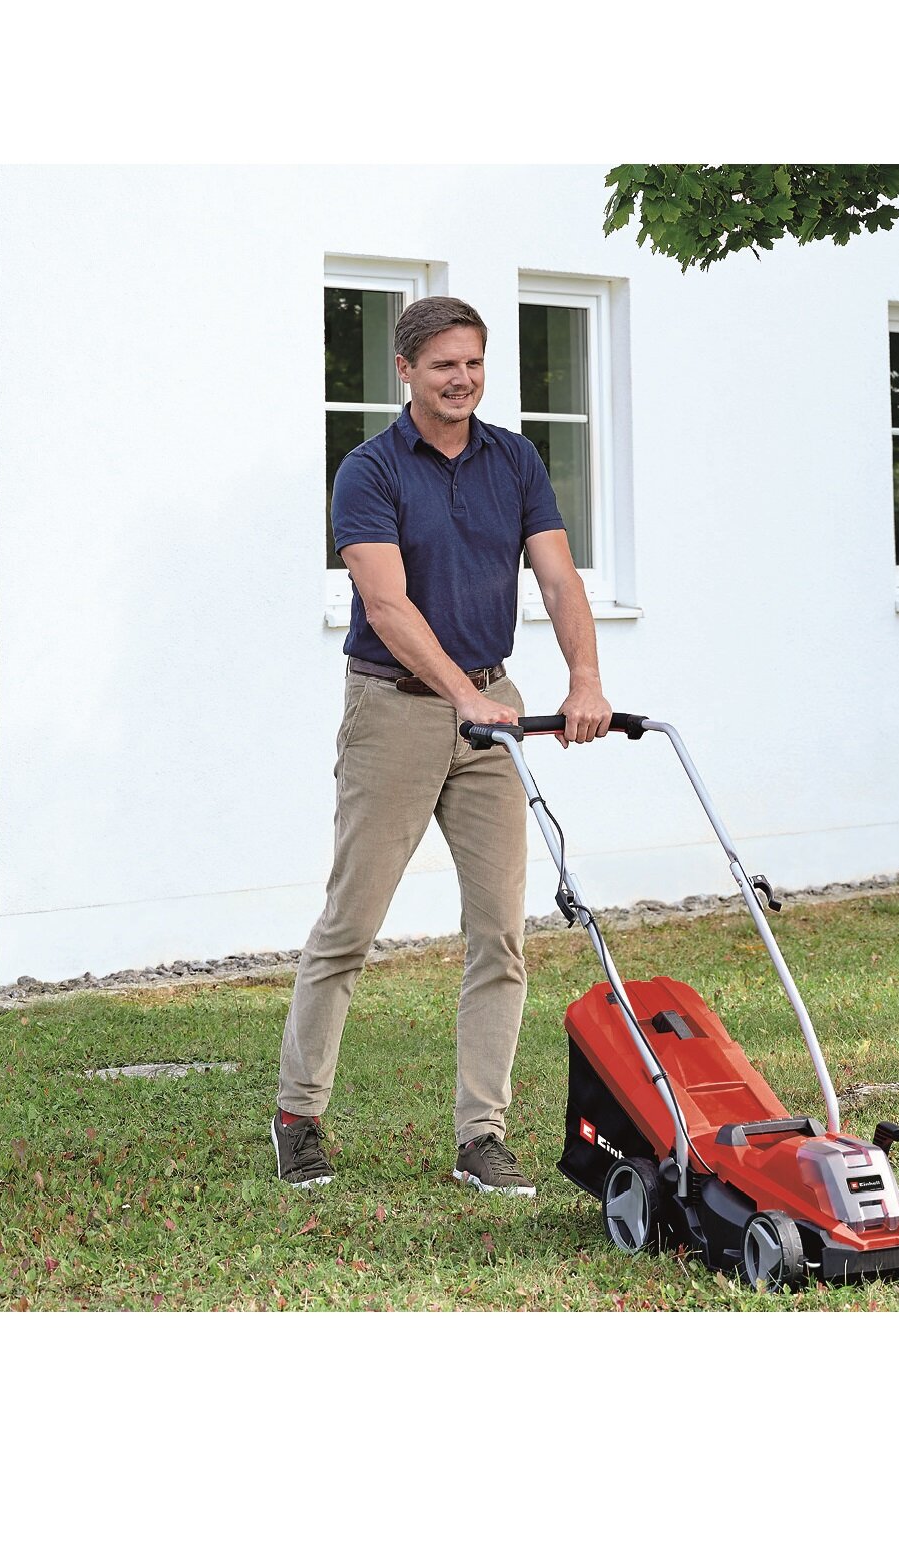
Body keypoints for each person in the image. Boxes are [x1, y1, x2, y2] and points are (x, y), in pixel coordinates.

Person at [273, 295, 611, 1195]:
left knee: (501, 934)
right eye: (443, 365)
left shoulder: (516, 459)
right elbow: (386, 606)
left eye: (474, 363)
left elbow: (557, 576)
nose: (462, 380)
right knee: (351, 925)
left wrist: (584, 679)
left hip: (494, 707)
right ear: (406, 371)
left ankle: (481, 1134)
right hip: (396, 708)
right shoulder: (370, 470)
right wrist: (463, 697)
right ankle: (298, 1116)